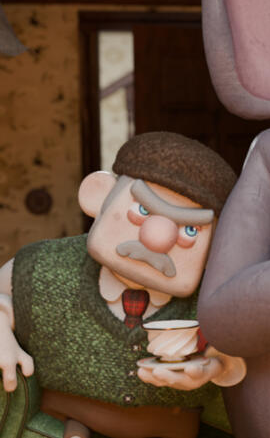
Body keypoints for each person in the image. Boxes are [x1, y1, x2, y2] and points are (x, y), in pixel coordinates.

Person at [0, 132, 240, 438]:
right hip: (67, 424)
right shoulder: (40, 267)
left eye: (190, 229)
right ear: (99, 196)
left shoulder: (217, 294)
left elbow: (236, 353)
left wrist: (212, 368)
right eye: (143, 210)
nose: (157, 239)